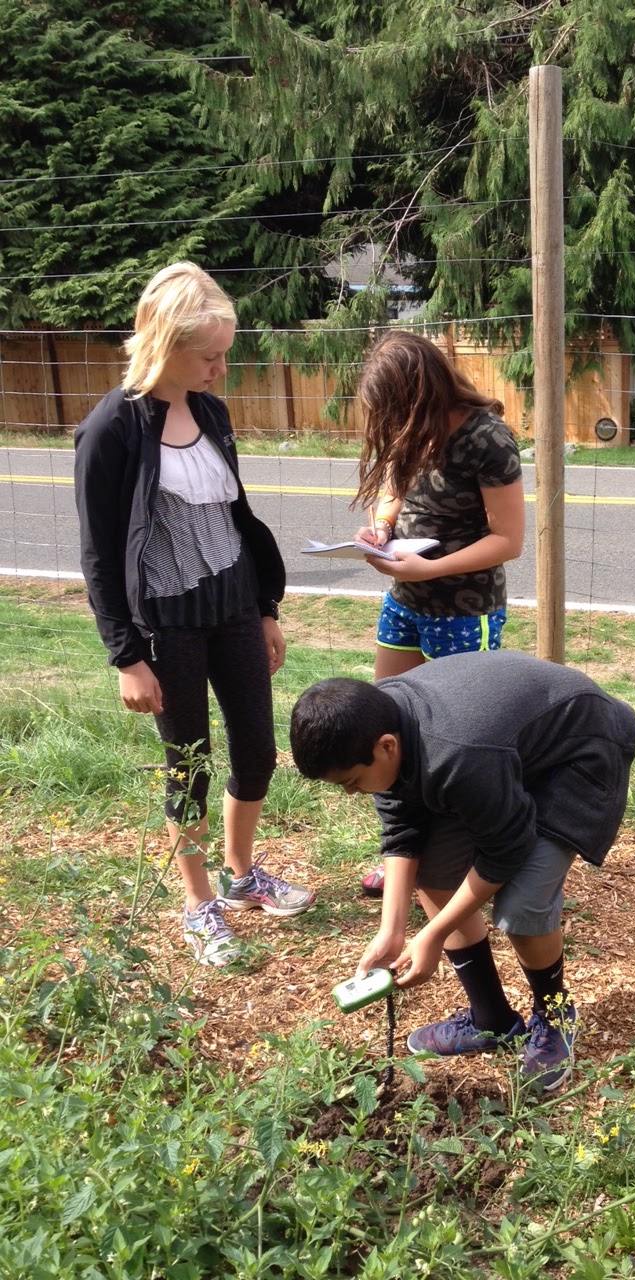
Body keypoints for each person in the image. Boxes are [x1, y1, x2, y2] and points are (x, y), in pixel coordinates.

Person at [74, 261, 315, 967]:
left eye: (224, 352)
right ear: (165, 343)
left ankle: (243, 878)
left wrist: (266, 608)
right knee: (190, 769)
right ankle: (198, 903)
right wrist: (126, 656)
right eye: (209, 354)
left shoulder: (210, 411)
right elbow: (98, 554)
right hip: (166, 628)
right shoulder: (111, 428)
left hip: (235, 608)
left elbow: (234, 517)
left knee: (257, 754)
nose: (221, 367)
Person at [289, 650, 635, 1091]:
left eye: (351, 782)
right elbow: (402, 831)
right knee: (436, 875)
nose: (352, 794)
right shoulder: (378, 725)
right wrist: (392, 930)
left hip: (578, 752)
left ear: (387, 746)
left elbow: (504, 853)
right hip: (502, 755)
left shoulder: (456, 751)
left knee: (522, 905)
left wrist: (431, 936)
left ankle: (552, 1014)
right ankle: (491, 1019)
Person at [350, 330, 525, 896]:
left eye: (398, 410)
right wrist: (381, 527)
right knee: (386, 723)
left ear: (422, 392)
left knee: (457, 734)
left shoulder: (486, 437)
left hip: (462, 606)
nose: (393, 423)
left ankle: (479, 852)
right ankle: (404, 851)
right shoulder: (410, 428)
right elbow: (393, 493)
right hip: (404, 599)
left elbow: (508, 540)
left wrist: (430, 568)